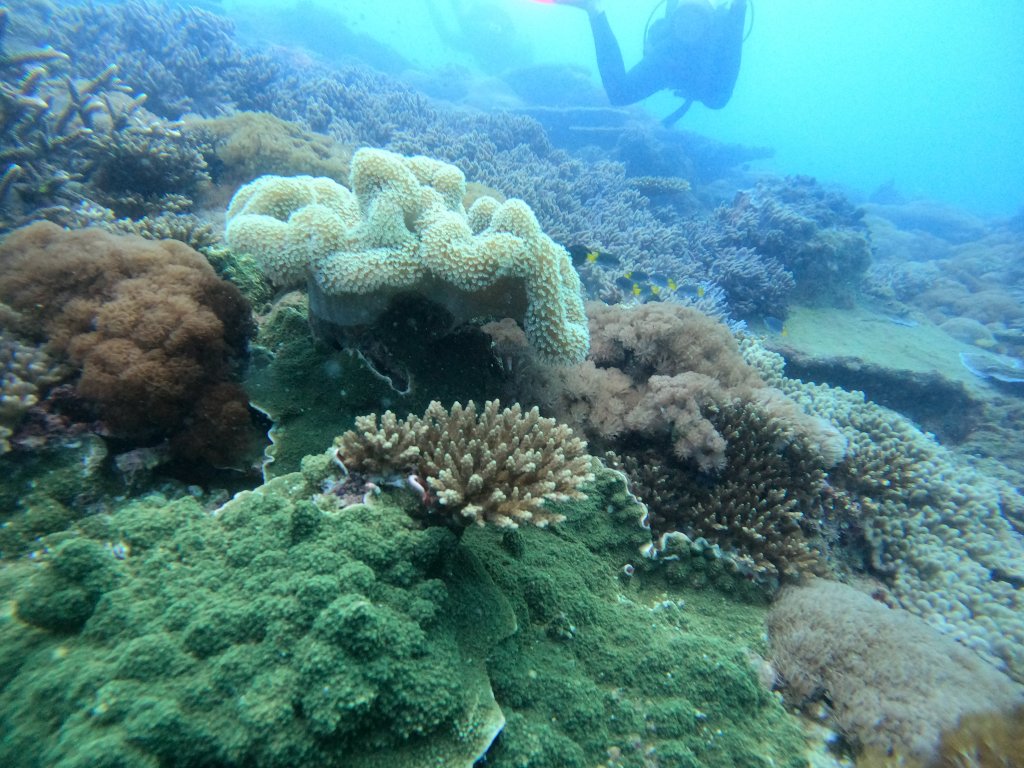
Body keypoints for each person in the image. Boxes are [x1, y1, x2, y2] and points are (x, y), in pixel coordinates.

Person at [553, 0, 748, 124]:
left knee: (716, 100)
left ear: (708, 26)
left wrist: (739, 10)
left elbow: (721, 95)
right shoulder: (666, 51)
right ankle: (595, 8)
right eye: (683, 21)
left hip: (709, 84)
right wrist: (595, 14)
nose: (689, 29)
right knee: (619, 95)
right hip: (671, 66)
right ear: (673, 23)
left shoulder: (721, 45)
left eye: (696, 22)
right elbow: (618, 93)